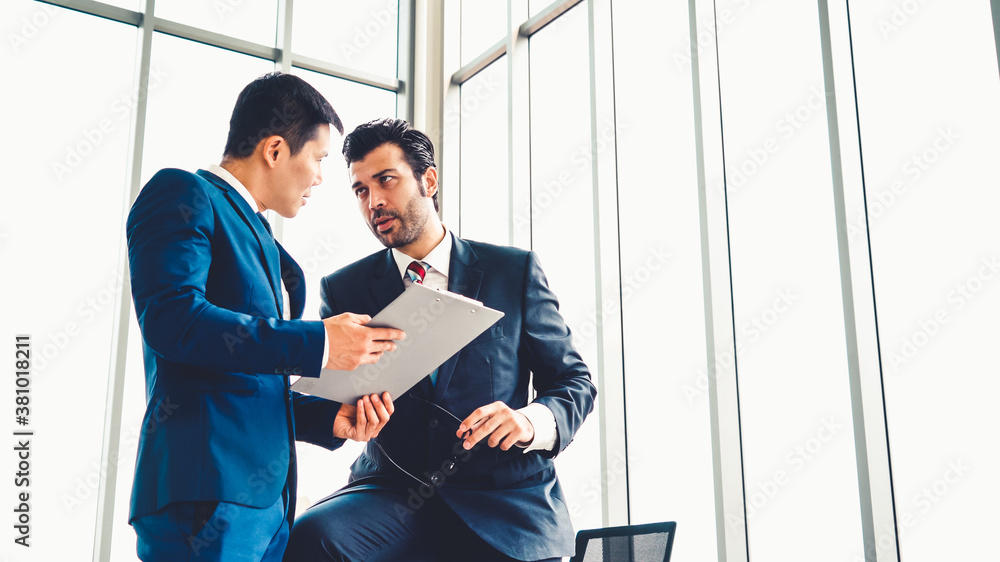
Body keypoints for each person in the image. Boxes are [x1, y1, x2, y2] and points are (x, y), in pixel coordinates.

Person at [284, 118, 597, 562]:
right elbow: (330, 394)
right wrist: (345, 411)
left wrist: (529, 422)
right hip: (389, 493)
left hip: (504, 500)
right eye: (360, 190)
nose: (374, 201)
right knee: (312, 538)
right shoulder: (344, 290)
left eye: (385, 180)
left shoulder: (513, 271)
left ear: (428, 180)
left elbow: (573, 381)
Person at [125, 73, 404, 561]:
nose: (320, 177)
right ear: (275, 150)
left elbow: (247, 378)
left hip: (267, 507)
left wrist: (328, 418)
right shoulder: (182, 194)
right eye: (317, 159)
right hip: (205, 494)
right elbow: (175, 322)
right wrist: (319, 343)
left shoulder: (270, 247)